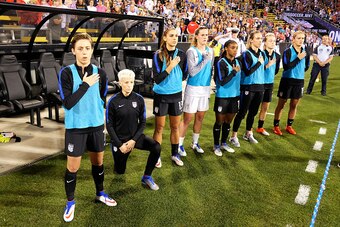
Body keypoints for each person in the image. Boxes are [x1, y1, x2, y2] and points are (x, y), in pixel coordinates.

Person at [58, 33, 116, 223]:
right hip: (76, 128)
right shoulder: (66, 73)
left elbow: (101, 99)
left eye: (87, 48)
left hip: (96, 126)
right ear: (73, 51)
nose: (84, 52)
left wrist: (104, 123)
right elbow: (68, 104)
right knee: (72, 167)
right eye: (80, 48)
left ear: (92, 50)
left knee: (98, 163)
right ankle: (70, 202)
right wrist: (84, 85)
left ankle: (100, 193)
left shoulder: (102, 73)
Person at [106, 69, 161, 190]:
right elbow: (109, 126)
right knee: (120, 171)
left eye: (131, 82)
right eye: (126, 82)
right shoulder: (113, 101)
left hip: (135, 137)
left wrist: (133, 140)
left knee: (156, 147)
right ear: (120, 83)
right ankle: (117, 155)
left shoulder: (139, 99)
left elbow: (142, 122)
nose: (129, 85)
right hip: (120, 141)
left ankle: (147, 176)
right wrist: (120, 145)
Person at [152, 28, 187, 167]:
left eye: (176, 36)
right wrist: (170, 67)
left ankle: (174, 154)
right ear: (165, 38)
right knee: (159, 128)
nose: (174, 38)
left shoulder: (182, 55)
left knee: (175, 127)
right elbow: (157, 79)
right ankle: (156, 156)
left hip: (176, 95)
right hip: (161, 96)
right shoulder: (158, 55)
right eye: (171, 36)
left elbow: (184, 74)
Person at [178, 26, 214, 156]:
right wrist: (204, 60)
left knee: (200, 117)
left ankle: (195, 143)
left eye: (207, 35)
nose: (205, 37)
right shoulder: (191, 51)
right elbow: (192, 72)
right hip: (193, 88)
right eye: (202, 34)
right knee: (187, 118)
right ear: (196, 36)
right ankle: (179, 145)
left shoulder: (211, 51)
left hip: (205, 89)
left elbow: (210, 70)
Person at [229, 30, 265, 147]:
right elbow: (248, 71)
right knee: (242, 112)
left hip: (260, 86)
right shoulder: (246, 54)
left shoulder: (261, 53)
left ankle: (248, 133)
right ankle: (233, 136)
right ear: (251, 40)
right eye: (258, 38)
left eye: (261, 38)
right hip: (248, 86)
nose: (260, 40)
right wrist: (259, 63)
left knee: (253, 112)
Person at [273, 30, 310, 135]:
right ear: (293, 39)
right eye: (299, 38)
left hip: (299, 81)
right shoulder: (288, 51)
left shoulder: (305, 51)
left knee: (294, 104)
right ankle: (276, 126)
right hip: (287, 80)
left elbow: (306, 66)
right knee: (282, 104)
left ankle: (289, 126)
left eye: (303, 38)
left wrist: (299, 71)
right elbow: (286, 67)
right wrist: (298, 58)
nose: (301, 40)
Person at [213, 40, 241, 156]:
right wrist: (233, 72)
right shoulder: (221, 63)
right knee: (219, 122)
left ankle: (224, 143)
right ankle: (216, 145)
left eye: (236, 48)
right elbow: (222, 81)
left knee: (228, 122)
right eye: (232, 47)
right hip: (223, 97)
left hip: (235, 97)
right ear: (226, 49)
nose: (235, 50)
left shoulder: (238, 61)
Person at [256, 33, 281, 136]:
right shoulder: (260, 54)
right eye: (270, 40)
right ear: (265, 42)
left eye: (274, 41)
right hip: (259, 84)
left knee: (265, 107)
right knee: (254, 107)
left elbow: (275, 71)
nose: (272, 42)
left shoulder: (277, 56)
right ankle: (248, 129)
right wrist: (267, 65)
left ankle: (260, 127)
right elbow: (256, 70)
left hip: (269, 84)